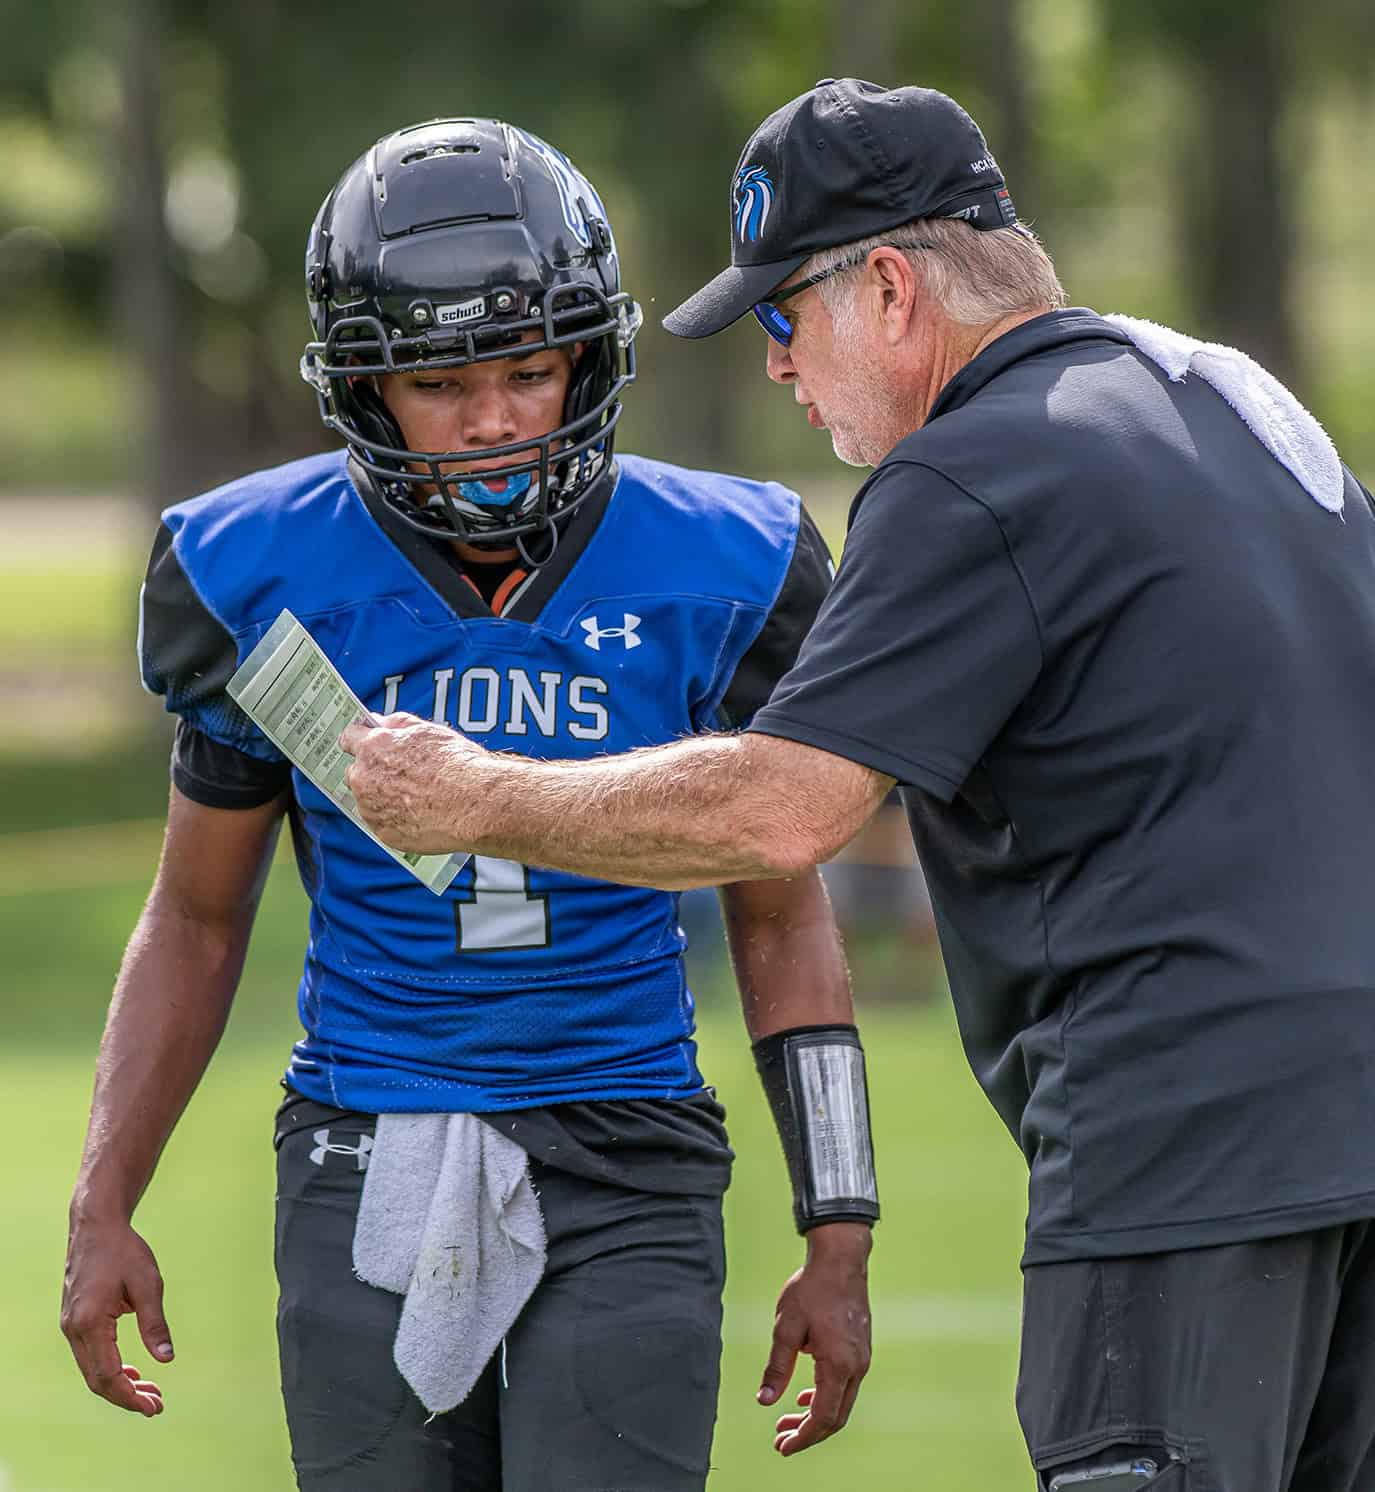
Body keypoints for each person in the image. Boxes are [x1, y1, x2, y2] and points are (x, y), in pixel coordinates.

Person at [342, 81, 1375, 1492]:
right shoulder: (1243, 407)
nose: (777, 368)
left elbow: (783, 811)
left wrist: (480, 796)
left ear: (887, 288)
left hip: (1189, 1134)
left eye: (783, 318)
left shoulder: (971, 467)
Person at [60, 116, 880, 1492]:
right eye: (441, 382)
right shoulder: (258, 573)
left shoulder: (721, 565)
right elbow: (196, 920)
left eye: (528, 368)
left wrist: (839, 1227)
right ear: (367, 391)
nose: (495, 420)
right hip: (364, 1124)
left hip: (630, 1140)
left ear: (589, 359)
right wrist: (102, 1199)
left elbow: (783, 918)